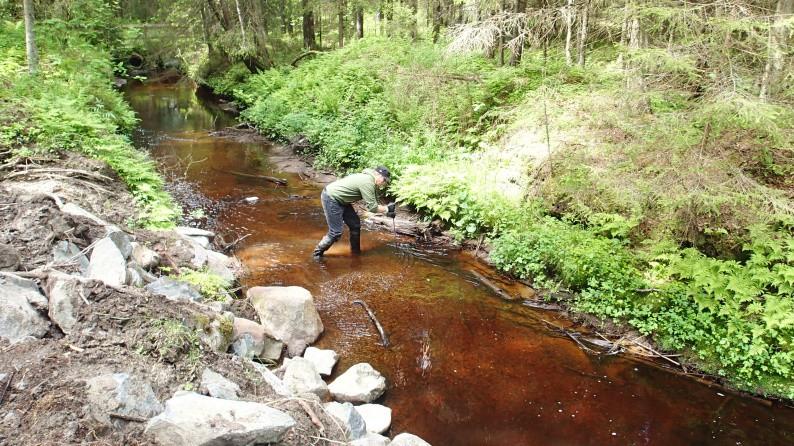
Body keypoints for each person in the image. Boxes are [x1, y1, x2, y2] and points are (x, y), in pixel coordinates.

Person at [313, 166, 396, 258]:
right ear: (378, 175)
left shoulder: (370, 180)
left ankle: (355, 254)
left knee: (355, 225)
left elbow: (374, 203)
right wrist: (387, 209)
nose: (383, 183)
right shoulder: (367, 182)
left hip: (342, 200)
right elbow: (372, 208)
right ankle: (317, 254)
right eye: (384, 180)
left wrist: (387, 212)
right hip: (331, 198)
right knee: (335, 232)